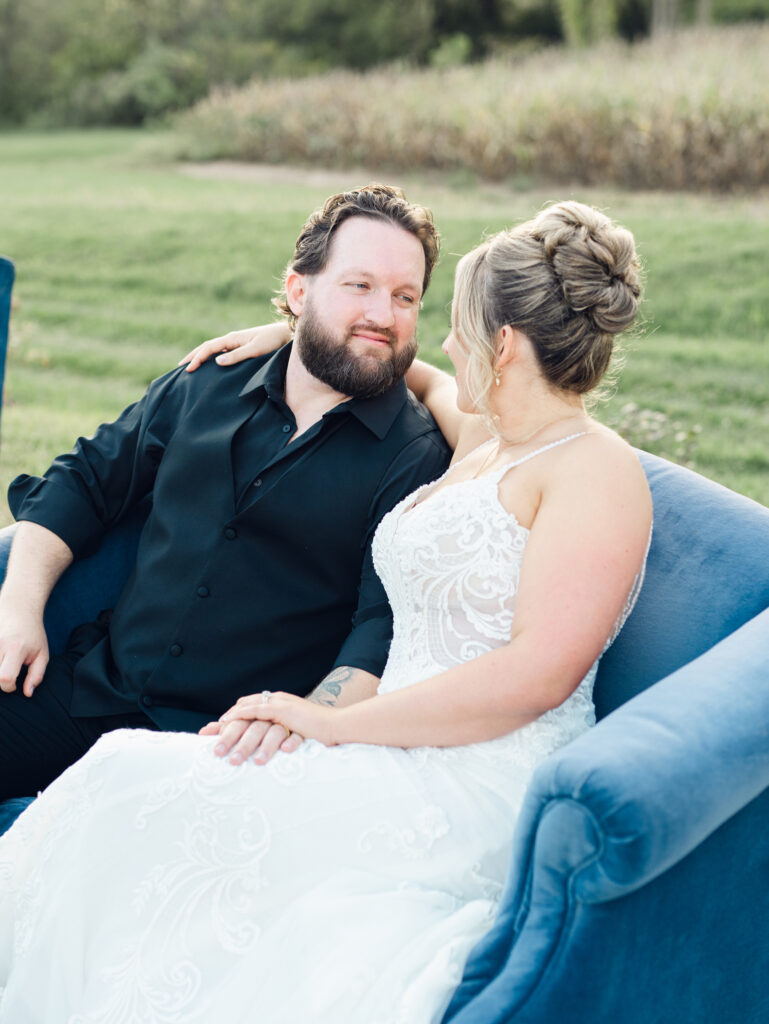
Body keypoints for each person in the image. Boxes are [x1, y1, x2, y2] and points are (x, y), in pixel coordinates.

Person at [0, 201, 652, 1023]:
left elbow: (538, 673)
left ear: (504, 345)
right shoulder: (484, 434)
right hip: (350, 735)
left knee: (136, 789)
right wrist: (298, 329)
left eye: (436, 314)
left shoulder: (590, 470)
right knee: (125, 791)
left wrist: (333, 722)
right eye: (368, 291)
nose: (432, 337)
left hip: (465, 765)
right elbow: (421, 372)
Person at [0, 184, 451, 801]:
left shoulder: (415, 454)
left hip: (217, 749)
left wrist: (307, 722)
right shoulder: (209, 381)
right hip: (89, 690)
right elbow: (84, 478)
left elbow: (382, 624)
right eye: (359, 285)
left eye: (406, 297)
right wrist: (19, 607)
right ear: (299, 291)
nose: (384, 315)